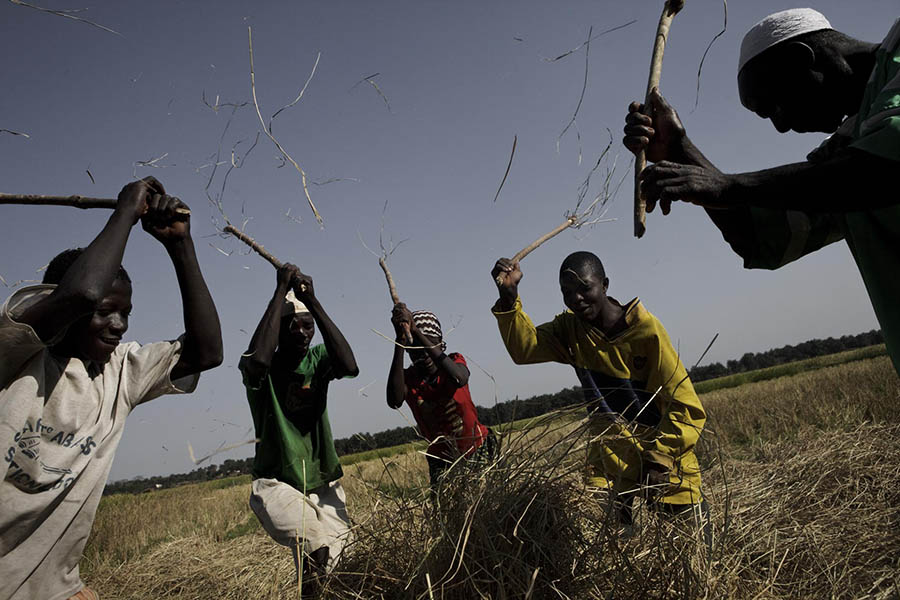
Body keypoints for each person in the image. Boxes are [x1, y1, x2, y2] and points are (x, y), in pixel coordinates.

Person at [624, 8, 900, 375]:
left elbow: (882, 171)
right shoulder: (849, 147)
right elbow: (760, 237)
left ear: (804, 60)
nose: (782, 126)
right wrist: (678, 148)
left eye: (775, 106)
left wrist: (726, 186)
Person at [0, 177, 223, 600]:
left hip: (54, 589)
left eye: (126, 314)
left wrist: (180, 247)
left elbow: (207, 352)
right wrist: (125, 212)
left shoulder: (120, 373)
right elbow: (81, 293)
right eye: (106, 312)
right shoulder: (15, 353)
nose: (119, 326)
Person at [491, 252, 707, 530]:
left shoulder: (646, 331)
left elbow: (685, 406)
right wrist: (509, 298)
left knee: (692, 548)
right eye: (567, 292)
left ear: (605, 284)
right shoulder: (570, 329)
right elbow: (525, 348)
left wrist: (660, 459)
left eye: (585, 288)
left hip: (662, 457)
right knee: (613, 554)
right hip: (608, 462)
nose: (576, 299)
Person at [239, 263, 358, 593]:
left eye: (309, 326)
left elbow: (350, 366)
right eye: (293, 326)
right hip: (277, 484)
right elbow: (259, 359)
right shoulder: (260, 367)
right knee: (316, 546)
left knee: (339, 571)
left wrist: (314, 303)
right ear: (278, 329)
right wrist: (280, 291)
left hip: (323, 484)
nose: (303, 333)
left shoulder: (319, 359)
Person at [386, 304, 497, 490]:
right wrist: (400, 340)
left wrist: (415, 331)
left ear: (439, 344)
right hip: (442, 462)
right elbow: (394, 401)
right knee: (447, 512)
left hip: (477, 449)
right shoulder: (408, 380)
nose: (422, 354)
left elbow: (459, 378)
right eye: (415, 349)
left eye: (427, 346)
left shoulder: (454, 362)